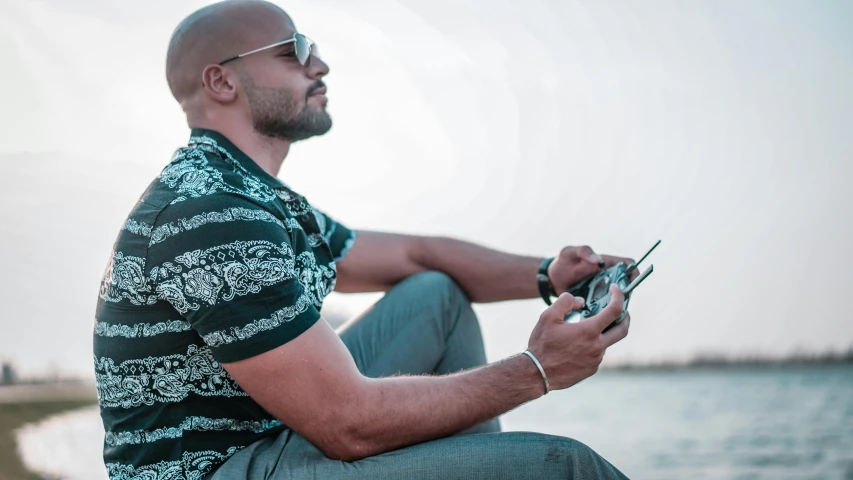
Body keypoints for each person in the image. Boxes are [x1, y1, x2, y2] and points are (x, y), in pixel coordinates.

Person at [93, 1, 639, 478]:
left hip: (272, 437)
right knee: (566, 468)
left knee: (436, 296)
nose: (320, 65)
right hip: (229, 467)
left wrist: (547, 273)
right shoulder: (210, 214)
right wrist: (536, 370)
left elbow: (414, 255)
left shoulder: (250, 194)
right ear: (222, 82)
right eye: (293, 51)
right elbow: (345, 423)